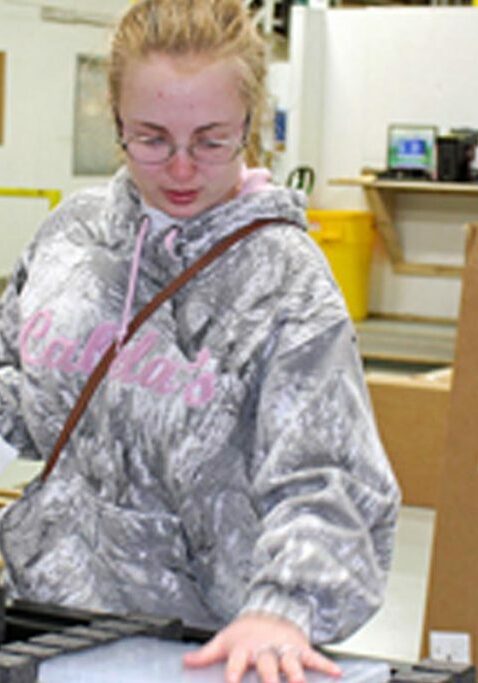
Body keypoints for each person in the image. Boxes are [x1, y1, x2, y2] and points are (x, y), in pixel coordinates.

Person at [0, 1, 401, 682]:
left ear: (250, 124)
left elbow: (330, 477)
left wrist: (284, 605)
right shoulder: (74, 237)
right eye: (152, 138)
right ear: (116, 119)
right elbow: (17, 385)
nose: (182, 168)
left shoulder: (285, 280)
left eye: (212, 140)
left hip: (205, 645)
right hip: (45, 619)